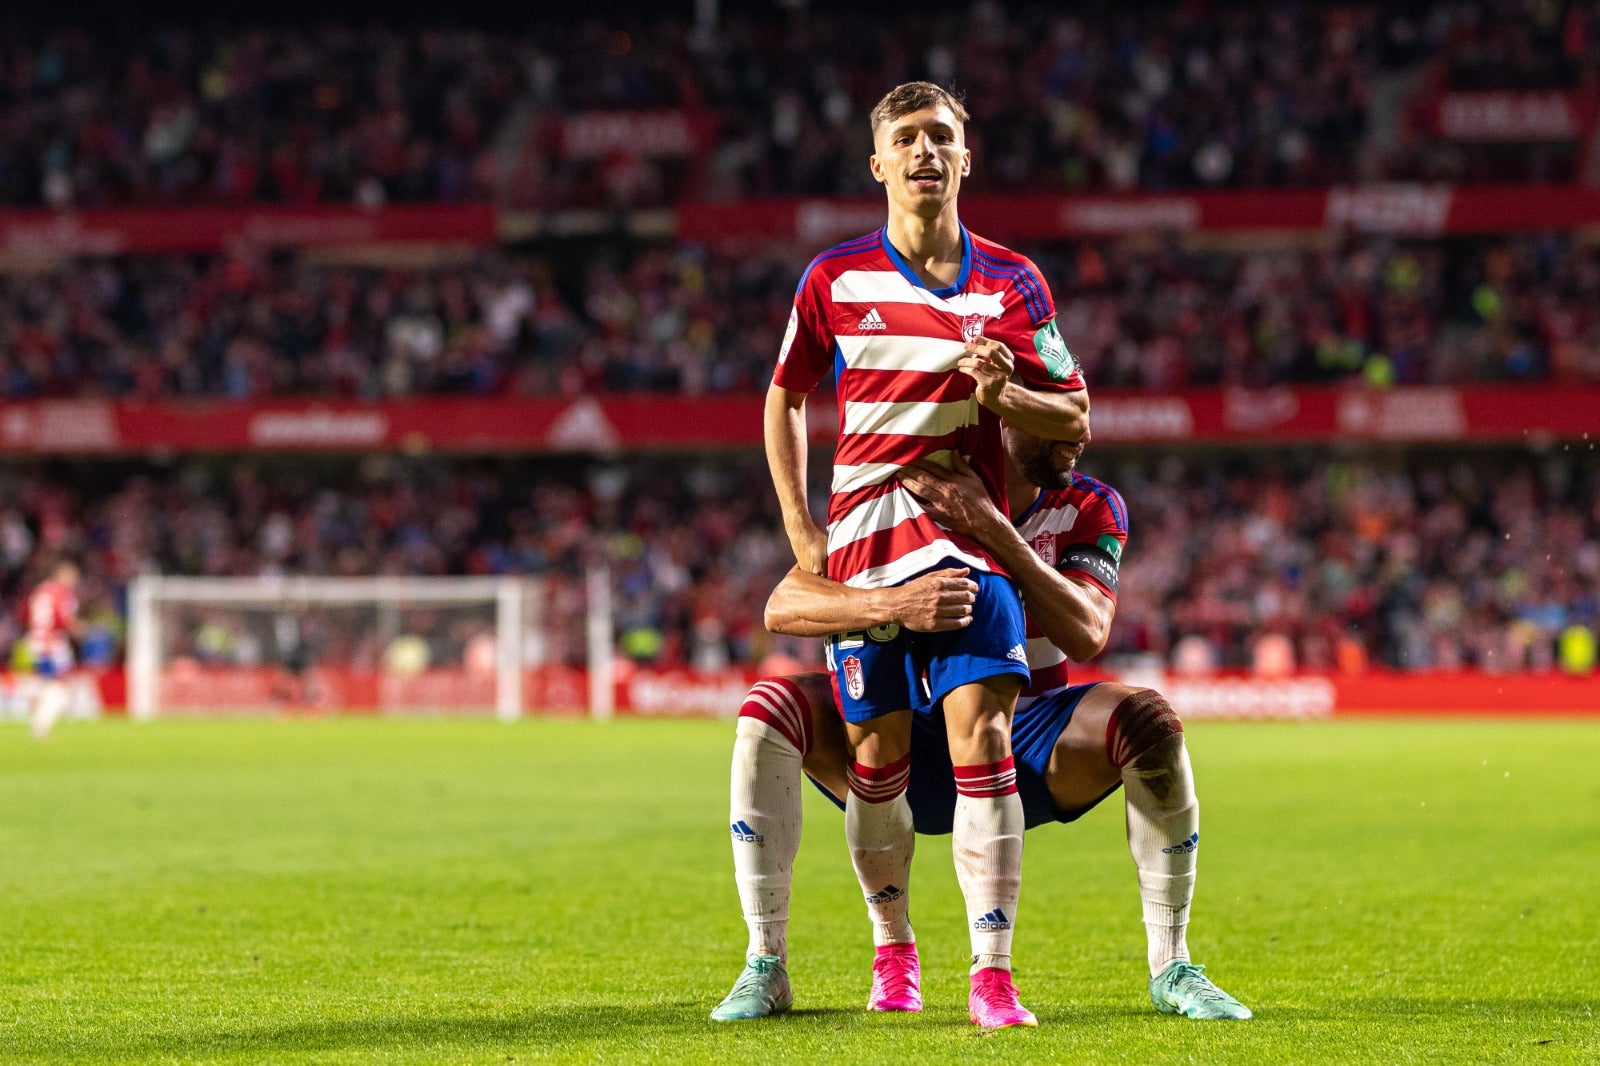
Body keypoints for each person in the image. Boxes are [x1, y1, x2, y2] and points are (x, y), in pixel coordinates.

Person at [714, 426, 1250, 1024]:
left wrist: (993, 530)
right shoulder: (910, 493)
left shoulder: (1089, 504)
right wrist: (891, 605)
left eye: (1076, 411)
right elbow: (784, 603)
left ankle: (1172, 966)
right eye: (1050, 411)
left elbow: (1089, 631)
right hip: (904, 733)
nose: (1075, 431)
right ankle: (768, 961)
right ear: (997, 418)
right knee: (767, 711)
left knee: (1150, 722)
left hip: (1030, 732)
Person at [763, 80, 1089, 1028]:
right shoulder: (832, 278)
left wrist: (1007, 397)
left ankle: (993, 975)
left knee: (983, 741)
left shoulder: (1016, 281)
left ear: (966, 157)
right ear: (878, 163)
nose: (926, 153)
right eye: (906, 139)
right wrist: (800, 530)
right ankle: (894, 953)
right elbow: (784, 396)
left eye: (942, 136)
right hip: (865, 545)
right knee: (877, 761)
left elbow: (1073, 412)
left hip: (970, 537)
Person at [23, 560, 83, 741]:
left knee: (46, 682)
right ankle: (41, 725)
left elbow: (26, 615)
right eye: (72, 577)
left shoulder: (40, 591)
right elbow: (65, 619)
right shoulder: (61, 593)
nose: (74, 581)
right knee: (61, 686)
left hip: (35, 641)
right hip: (52, 644)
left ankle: (34, 701)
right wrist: (80, 630)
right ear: (62, 575)